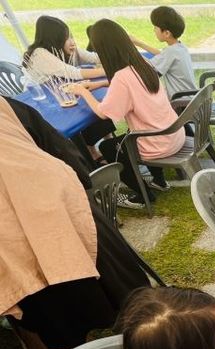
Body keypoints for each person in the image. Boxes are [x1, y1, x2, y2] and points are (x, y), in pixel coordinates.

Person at [0, 96, 150, 349]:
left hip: (25, 237)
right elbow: (64, 152)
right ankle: (147, 345)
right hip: (56, 207)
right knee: (117, 290)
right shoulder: (7, 105)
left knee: (52, 314)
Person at [69, 19, 185, 209]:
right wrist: (100, 84)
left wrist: (83, 92)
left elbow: (104, 113)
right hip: (173, 134)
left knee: (108, 147)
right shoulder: (143, 63)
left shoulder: (122, 77)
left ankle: (142, 195)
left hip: (157, 144)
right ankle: (159, 181)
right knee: (128, 138)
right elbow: (132, 86)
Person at [23, 15, 113, 163]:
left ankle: (108, 142)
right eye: (66, 38)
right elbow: (73, 73)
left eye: (70, 36)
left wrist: (111, 57)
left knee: (93, 102)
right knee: (88, 105)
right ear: (54, 39)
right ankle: (92, 154)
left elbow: (94, 58)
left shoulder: (68, 49)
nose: (71, 42)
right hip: (50, 103)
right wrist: (109, 69)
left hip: (68, 93)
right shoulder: (40, 54)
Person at [129, 6, 198, 99]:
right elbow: (162, 55)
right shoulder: (180, 47)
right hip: (192, 100)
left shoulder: (170, 52)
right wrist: (138, 43)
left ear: (166, 33)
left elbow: (147, 68)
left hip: (181, 104)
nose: (154, 30)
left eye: (155, 27)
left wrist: (130, 51)